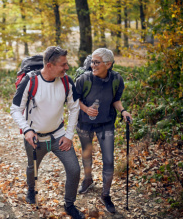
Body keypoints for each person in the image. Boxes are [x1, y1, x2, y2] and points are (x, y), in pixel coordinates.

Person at [10, 46, 85, 219]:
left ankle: (69, 204)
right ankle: (31, 189)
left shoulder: (66, 81)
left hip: (59, 137)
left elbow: (74, 108)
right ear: (50, 65)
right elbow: (15, 109)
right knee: (32, 168)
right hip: (35, 138)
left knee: (74, 169)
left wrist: (68, 135)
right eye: (63, 65)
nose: (67, 68)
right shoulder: (30, 81)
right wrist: (27, 130)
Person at [75, 48, 132, 214]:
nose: (93, 65)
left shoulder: (116, 79)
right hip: (85, 123)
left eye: (96, 62)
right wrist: (85, 109)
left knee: (108, 160)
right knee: (87, 154)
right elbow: (74, 100)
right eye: (92, 61)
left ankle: (105, 195)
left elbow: (116, 100)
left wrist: (123, 111)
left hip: (106, 123)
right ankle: (87, 180)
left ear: (108, 64)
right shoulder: (84, 79)